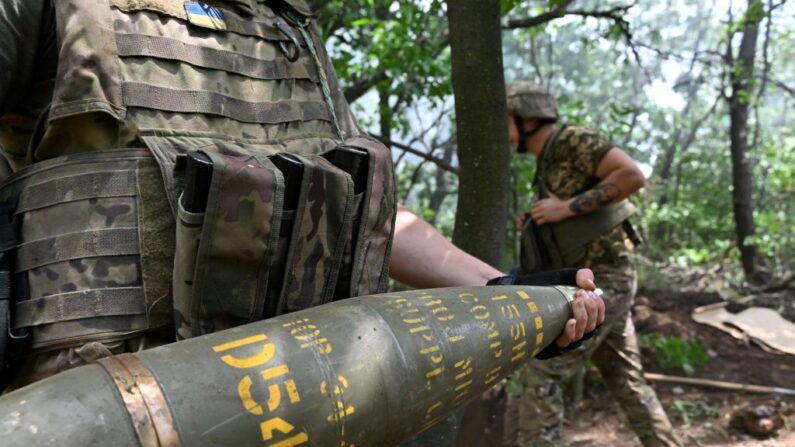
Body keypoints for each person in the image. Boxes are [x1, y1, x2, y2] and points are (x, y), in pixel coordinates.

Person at [0, 0, 602, 401]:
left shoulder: (289, 30)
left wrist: (504, 289)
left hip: (298, 395)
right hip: (103, 400)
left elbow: (362, 212)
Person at [502, 80, 681, 446]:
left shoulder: (571, 140)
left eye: (506, 122)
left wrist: (564, 208)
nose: (504, 133)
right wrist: (538, 218)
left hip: (605, 278)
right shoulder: (548, 160)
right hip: (593, 282)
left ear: (526, 118)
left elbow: (632, 175)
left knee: (543, 370)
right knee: (628, 382)